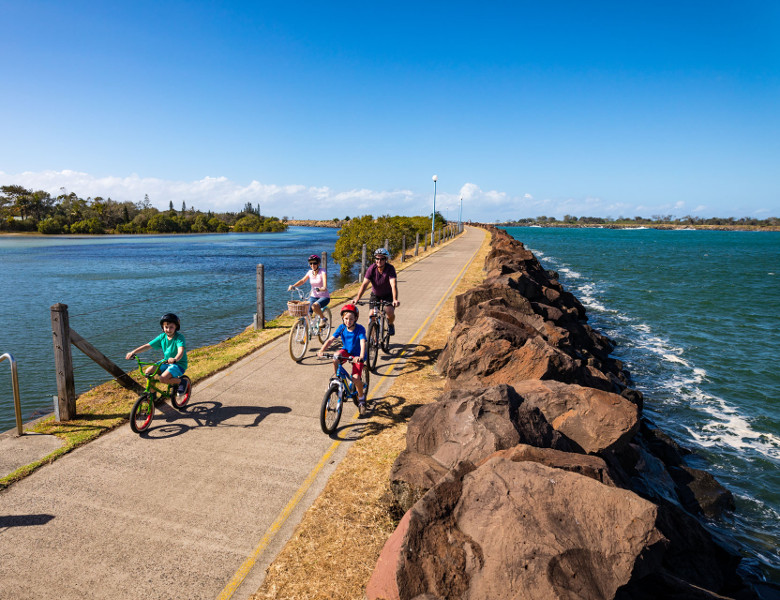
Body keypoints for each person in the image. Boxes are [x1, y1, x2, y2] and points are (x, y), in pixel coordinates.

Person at [318, 303, 368, 414]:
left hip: (357, 355)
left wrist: (360, 356)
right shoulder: (341, 328)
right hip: (346, 351)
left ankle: (361, 399)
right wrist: (322, 350)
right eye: (346, 318)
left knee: (355, 379)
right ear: (342, 318)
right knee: (335, 357)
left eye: (351, 319)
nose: (348, 321)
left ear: (356, 318)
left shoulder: (360, 329)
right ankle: (338, 378)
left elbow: (362, 342)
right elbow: (331, 340)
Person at [125, 313, 190, 397]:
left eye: (171, 327)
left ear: (176, 327)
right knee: (148, 372)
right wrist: (133, 352)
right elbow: (148, 346)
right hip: (166, 362)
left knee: (163, 379)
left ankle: (182, 382)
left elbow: (181, 351)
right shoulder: (162, 337)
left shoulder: (179, 337)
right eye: (166, 327)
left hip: (178, 364)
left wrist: (175, 359)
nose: (168, 329)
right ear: (163, 327)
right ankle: (153, 395)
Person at [353, 247, 399, 336]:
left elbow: (393, 284)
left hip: (388, 294)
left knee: (389, 311)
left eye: (382, 259)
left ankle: (390, 324)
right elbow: (364, 285)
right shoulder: (371, 269)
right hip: (375, 294)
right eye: (377, 258)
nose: (379, 261)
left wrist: (394, 299)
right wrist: (357, 298)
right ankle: (372, 339)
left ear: (386, 259)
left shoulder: (390, 269)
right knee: (371, 315)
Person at [288, 254, 330, 327]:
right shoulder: (310, 272)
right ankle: (308, 331)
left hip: (324, 296)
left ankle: (323, 319)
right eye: (311, 263)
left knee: (314, 306)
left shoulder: (323, 271)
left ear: (318, 264)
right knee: (306, 312)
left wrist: (320, 289)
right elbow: (302, 281)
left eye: (315, 263)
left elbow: (325, 287)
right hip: (313, 296)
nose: (312, 265)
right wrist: (294, 286)